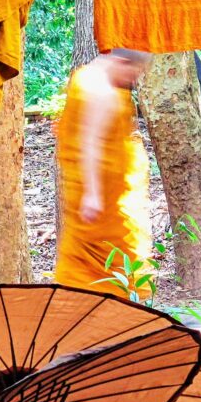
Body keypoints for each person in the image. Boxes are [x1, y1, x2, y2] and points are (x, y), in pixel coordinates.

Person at [54, 49, 154, 300]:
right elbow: (90, 142)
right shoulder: (101, 91)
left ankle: (86, 305)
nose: (132, 79)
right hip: (100, 194)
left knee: (90, 256)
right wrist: (93, 194)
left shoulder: (87, 75)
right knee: (109, 259)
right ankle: (109, 310)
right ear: (121, 62)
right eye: (133, 72)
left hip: (105, 187)